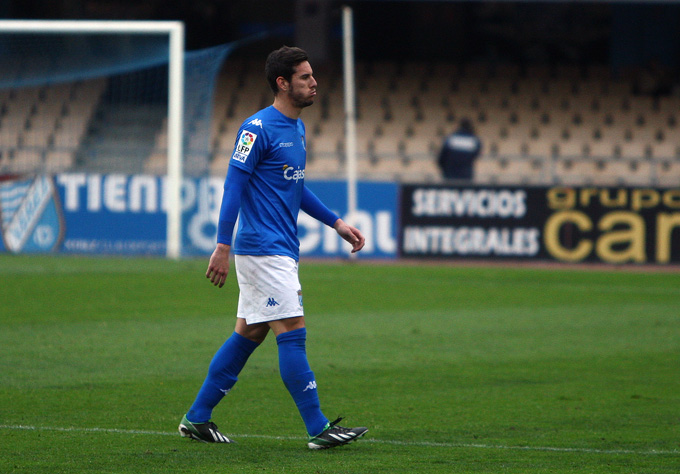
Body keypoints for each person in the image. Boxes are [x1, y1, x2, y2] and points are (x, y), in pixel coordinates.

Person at [178, 46, 368, 450]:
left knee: (248, 334)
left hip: (279, 247)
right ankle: (318, 428)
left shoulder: (296, 128)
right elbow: (233, 186)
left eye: (312, 75)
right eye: (304, 77)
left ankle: (197, 418)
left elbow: (294, 186)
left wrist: (336, 223)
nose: (314, 82)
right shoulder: (256, 129)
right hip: (263, 250)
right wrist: (222, 245)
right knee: (293, 331)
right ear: (282, 83)